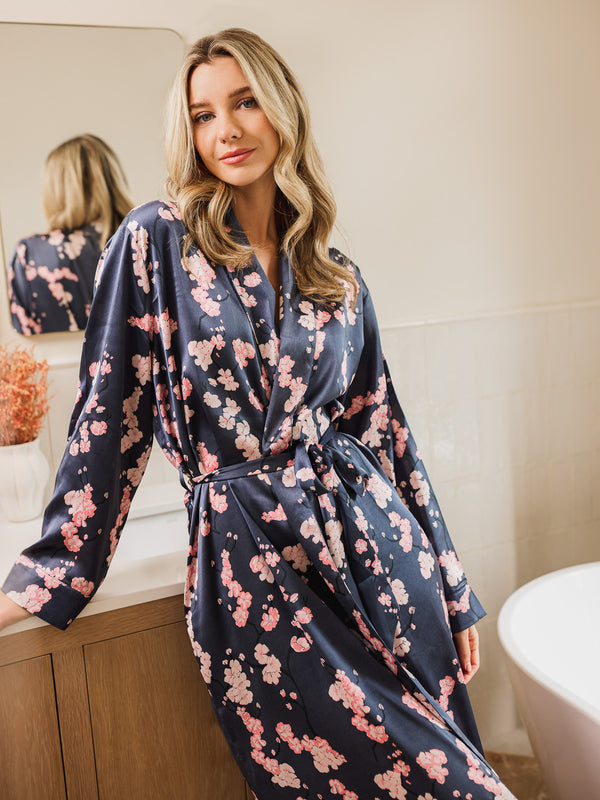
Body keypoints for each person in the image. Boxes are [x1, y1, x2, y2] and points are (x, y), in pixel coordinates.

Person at [0, 29, 516, 800]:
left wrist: (448, 579)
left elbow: (386, 436)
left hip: (380, 555)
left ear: (284, 111)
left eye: (245, 102)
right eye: (204, 114)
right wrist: (38, 579)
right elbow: (106, 429)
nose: (228, 130)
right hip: (258, 574)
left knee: (454, 761)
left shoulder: (337, 274)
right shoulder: (152, 243)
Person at [7, 133, 132, 335]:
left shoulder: (30, 255)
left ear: (54, 190)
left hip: (57, 366)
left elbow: (21, 338)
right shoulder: (144, 242)